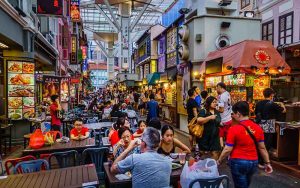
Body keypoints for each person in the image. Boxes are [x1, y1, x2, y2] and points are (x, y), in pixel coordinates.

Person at [217, 101, 273, 188]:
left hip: (238, 162)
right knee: (245, 184)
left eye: (233, 113)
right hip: (253, 162)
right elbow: (262, 148)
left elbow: (228, 149)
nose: (233, 116)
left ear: (238, 114)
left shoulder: (234, 129)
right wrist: (267, 163)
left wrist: (220, 160)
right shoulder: (258, 128)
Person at [255, 88, 286, 168]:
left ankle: (258, 161)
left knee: (259, 143)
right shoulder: (272, 104)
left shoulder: (259, 103)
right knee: (266, 144)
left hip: (259, 126)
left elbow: (256, 113)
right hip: (269, 126)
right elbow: (283, 111)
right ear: (272, 95)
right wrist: (281, 103)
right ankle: (261, 162)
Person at [216, 82, 232, 148]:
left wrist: (215, 108)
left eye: (217, 88)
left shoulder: (222, 97)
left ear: (221, 88)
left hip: (224, 120)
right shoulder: (227, 93)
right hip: (229, 118)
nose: (216, 90)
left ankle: (223, 150)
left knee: (221, 136)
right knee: (228, 137)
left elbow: (221, 110)